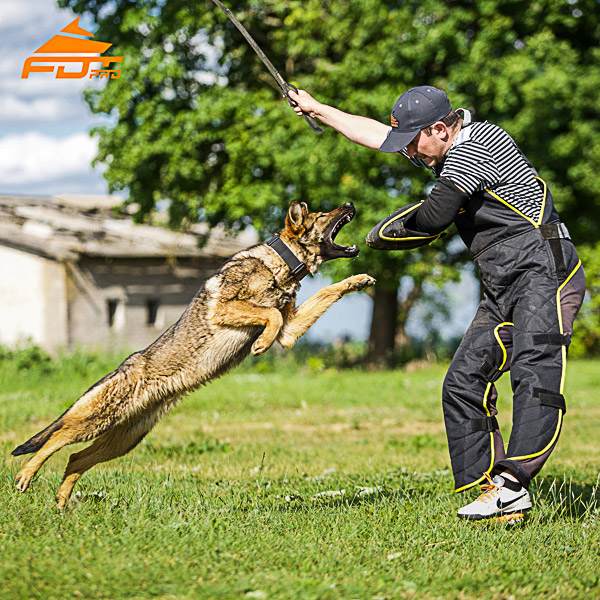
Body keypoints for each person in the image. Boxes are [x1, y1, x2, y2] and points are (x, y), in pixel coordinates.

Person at [288, 85, 585, 521]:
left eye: (413, 142)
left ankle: (513, 485)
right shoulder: (439, 146)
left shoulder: (479, 146)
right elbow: (376, 135)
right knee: (463, 382)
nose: (410, 152)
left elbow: (433, 218)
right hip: (503, 284)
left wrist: (384, 233)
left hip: (546, 274)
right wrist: (318, 109)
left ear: (442, 129)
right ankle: (492, 495)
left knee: (532, 374)